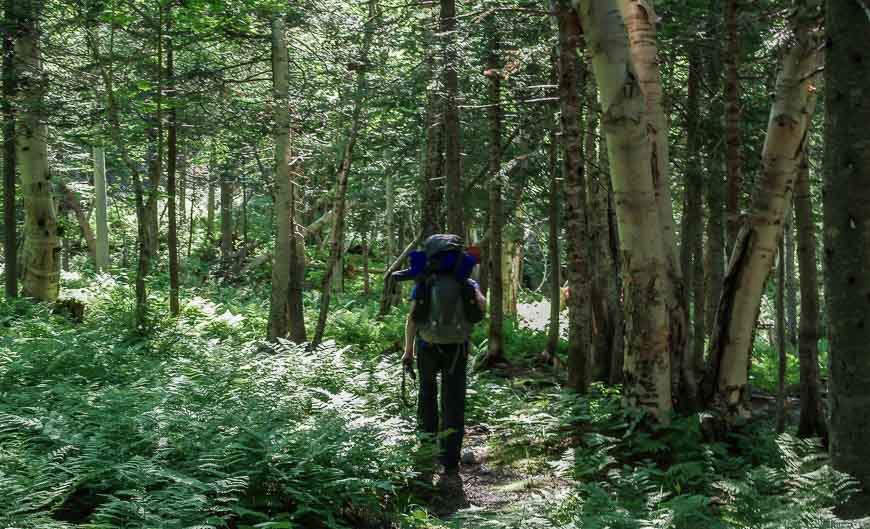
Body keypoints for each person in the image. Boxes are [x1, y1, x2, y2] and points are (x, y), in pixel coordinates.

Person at [401, 234, 486, 487]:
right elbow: (481, 308)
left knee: (427, 396)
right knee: (454, 401)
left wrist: (408, 351)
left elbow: (413, 318)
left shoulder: (425, 281)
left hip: (427, 346)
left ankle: (426, 453)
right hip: (457, 349)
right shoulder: (466, 281)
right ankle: (450, 462)